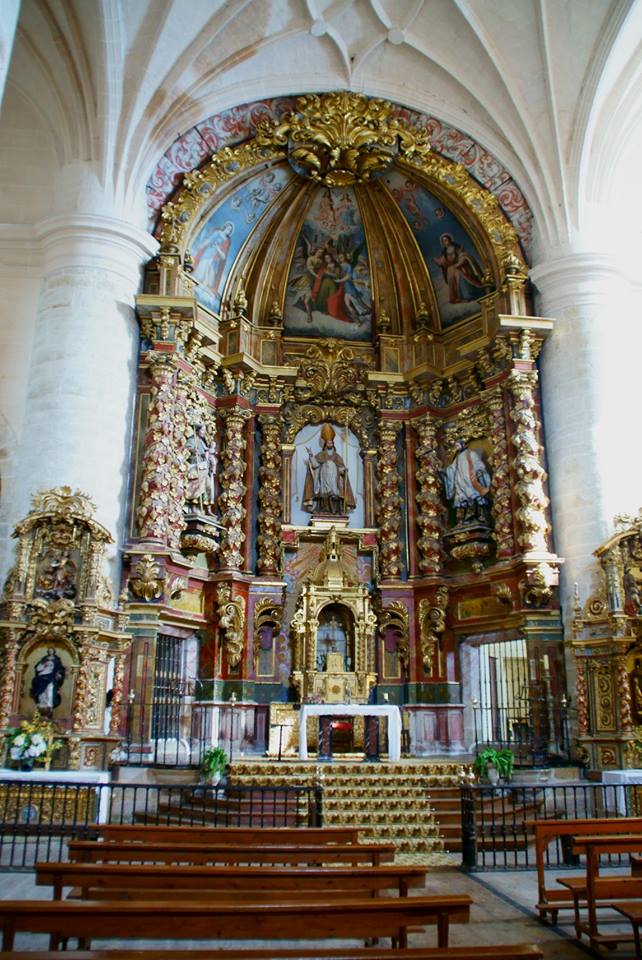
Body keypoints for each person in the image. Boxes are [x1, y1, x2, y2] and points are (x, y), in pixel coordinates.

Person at [303, 423, 356, 515]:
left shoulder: (337, 456)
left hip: (334, 480)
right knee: (324, 494)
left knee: (335, 493)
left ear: (333, 444)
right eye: (328, 442)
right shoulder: (321, 455)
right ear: (326, 444)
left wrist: (344, 470)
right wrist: (311, 455)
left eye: (331, 442)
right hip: (323, 479)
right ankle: (323, 509)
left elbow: (341, 468)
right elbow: (315, 465)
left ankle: (336, 509)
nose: (330, 443)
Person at [443, 438, 491, 525]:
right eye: (456, 446)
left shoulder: (470, 454)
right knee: (461, 499)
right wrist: (445, 471)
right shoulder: (456, 459)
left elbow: (478, 464)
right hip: (460, 482)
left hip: (470, 480)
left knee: (473, 495)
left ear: (462, 445)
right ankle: (461, 519)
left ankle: (477, 516)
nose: (457, 448)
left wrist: (480, 471)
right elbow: (452, 470)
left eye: (458, 445)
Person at [433, 233, 485, 304]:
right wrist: (437, 261)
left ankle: (470, 294)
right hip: (451, 270)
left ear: (450, 240)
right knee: (453, 277)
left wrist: (458, 264)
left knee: (461, 277)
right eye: (444, 241)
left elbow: (462, 256)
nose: (445, 242)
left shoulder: (456, 248)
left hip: (459, 267)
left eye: (446, 240)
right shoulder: (444, 252)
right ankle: (461, 297)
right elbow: (443, 262)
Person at [185, 423, 217, 513]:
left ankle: (208, 508)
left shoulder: (202, 442)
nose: (204, 432)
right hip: (195, 465)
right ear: (197, 431)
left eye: (204, 430)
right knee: (199, 485)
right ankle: (193, 505)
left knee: (208, 486)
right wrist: (192, 450)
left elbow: (206, 452)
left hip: (203, 466)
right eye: (202, 430)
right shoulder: (192, 439)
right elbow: (187, 448)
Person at [30, 647, 65, 712]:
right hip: (42, 677)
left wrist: (59, 674)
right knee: (42, 691)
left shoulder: (56, 660)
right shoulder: (44, 659)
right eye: (49, 651)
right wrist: (43, 665)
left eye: (51, 651)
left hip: (51, 677)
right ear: (48, 652)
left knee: (49, 689)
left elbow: (60, 668)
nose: (50, 652)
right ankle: (42, 704)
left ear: (53, 652)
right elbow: (38, 668)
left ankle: (49, 704)